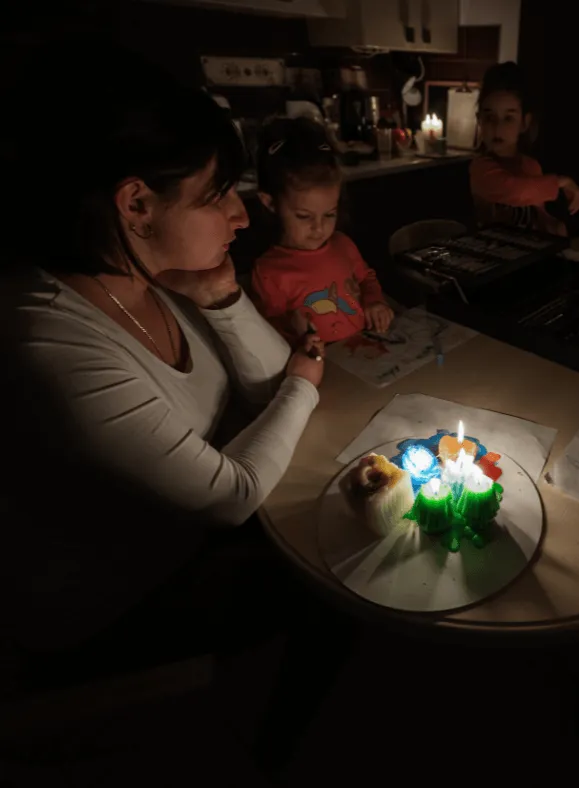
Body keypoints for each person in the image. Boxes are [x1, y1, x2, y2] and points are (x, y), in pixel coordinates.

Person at [0, 42, 335, 675]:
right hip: (118, 606)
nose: (240, 217)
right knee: (335, 582)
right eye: (217, 195)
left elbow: (265, 391)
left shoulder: (153, 274)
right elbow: (232, 494)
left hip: (193, 540)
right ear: (136, 205)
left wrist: (225, 299)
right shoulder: (49, 342)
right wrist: (304, 383)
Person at [250, 117, 395, 343]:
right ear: (270, 203)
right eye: (304, 216)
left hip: (363, 350)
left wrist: (375, 302)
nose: (319, 228)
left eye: (329, 214)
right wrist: (293, 331)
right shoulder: (269, 272)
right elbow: (268, 334)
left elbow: (366, 279)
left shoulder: (343, 245)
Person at [469, 61, 579, 236]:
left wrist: (554, 227)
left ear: (524, 123)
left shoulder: (530, 166)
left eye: (508, 118)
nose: (497, 127)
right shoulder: (480, 168)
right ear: (479, 121)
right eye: (489, 117)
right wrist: (561, 182)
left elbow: (537, 213)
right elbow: (515, 190)